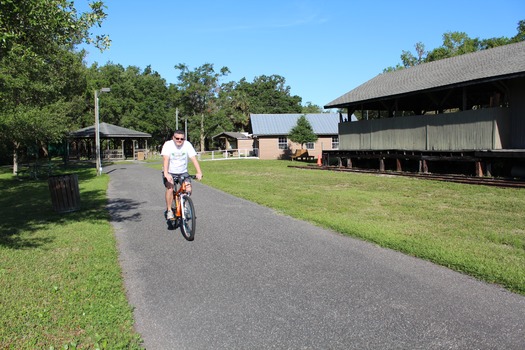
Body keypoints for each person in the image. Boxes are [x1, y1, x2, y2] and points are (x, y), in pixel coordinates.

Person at [161, 130, 203, 220]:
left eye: (182, 139)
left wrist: (199, 172)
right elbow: (166, 159)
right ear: (173, 138)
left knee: (188, 188)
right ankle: (169, 210)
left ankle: (183, 205)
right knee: (170, 187)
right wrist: (166, 173)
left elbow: (194, 159)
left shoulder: (187, 145)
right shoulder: (168, 145)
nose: (179, 140)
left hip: (183, 171)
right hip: (170, 171)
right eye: (177, 138)